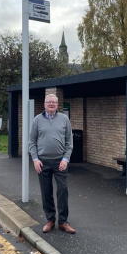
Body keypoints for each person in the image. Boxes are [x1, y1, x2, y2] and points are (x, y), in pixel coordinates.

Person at [29, 94, 75, 234]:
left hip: (59, 161)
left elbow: (69, 142)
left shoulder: (64, 119)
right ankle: (50, 220)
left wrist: (65, 159)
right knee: (46, 192)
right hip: (42, 162)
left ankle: (63, 221)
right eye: (48, 102)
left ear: (57, 104)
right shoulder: (37, 120)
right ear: (44, 104)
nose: (51, 104)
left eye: (54, 102)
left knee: (62, 190)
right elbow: (32, 141)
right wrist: (35, 159)